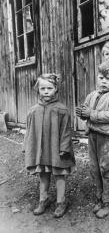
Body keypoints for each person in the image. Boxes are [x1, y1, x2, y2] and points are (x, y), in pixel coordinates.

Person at [76, 61, 109, 219]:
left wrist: (90, 113)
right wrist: (82, 112)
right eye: (100, 77)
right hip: (93, 136)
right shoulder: (93, 94)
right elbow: (86, 110)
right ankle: (100, 197)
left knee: (106, 169)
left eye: (108, 78)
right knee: (94, 168)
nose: (103, 81)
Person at [23, 73, 75, 218]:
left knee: (59, 174)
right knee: (43, 174)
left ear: (56, 89)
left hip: (57, 150)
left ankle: (61, 201)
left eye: (50, 88)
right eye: (43, 88)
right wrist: (27, 147)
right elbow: (29, 131)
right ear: (38, 90)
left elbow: (66, 131)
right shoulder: (33, 111)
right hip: (41, 150)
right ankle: (43, 199)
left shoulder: (61, 110)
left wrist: (64, 148)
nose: (46, 91)